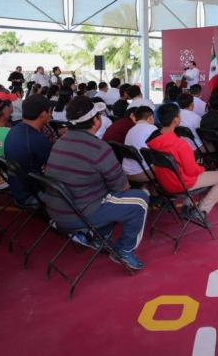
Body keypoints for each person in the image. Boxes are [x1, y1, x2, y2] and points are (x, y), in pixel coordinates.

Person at [44, 97, 148, 270]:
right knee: (140, 201)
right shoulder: (99, 148)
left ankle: (99, 236)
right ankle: (125, 251)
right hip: (78, 213)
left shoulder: (60, 142)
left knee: (114, 198)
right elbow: (122, 187)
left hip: (56, 212)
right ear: (95, 121)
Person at [147, 104, 218, 224]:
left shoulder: (152, 141)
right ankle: (201, 210)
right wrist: (202, 168)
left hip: (163, 182)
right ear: (176, 120)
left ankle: (187, 206)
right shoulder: (180, 144)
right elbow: (192, 171)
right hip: (180, 184)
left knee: (184, 168)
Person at [4, 95, 53, 205]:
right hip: (32, 194)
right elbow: (56, 168)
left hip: (17, 188)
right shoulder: (37, 140)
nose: (51, 115)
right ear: (43, 114)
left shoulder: (14, 130)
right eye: (50, 112)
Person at [120, 106, 157, 182]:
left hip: (126, 172)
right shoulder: (152, 128)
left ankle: (146, 188)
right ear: (150, 118)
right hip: (141, 173)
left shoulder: (131, 130)